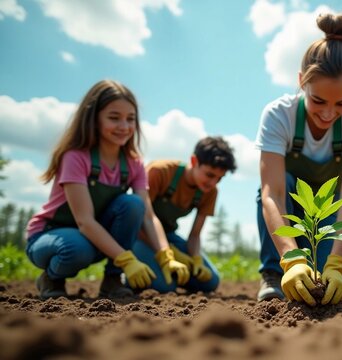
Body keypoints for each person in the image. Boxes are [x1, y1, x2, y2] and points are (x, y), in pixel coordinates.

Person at [25, 80, 189, 299]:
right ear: (94, 118)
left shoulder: (134, 164)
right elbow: (85, 221)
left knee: (133, 204)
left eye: (130, 119)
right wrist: (128, 259)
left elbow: (148, 217)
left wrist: (165, 255)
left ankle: (113, 280)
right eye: (114, 118)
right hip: (51, 237)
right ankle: (51, 278)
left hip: (93, 238)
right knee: (75, 249)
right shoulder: (76, 157)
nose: (124, 126)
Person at [255, 13, 342, 306]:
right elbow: (274, 193)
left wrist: (336, 264)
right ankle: (272, 272)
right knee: (279, 183)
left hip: (327, 215)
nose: (328, 113)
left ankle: (325, 266)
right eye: (318, 101)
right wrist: (292, 259)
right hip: (288, 207)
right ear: (301, 82)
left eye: (341, 103)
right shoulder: (278, 115)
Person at [131, 136, 236, 293]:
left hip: (168, 236)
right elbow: (139, 220)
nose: (213, 183)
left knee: (209, 282)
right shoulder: (160, 172)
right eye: (209, 175)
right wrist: (170, 252)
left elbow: (194, 235)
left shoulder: (209, 192)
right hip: (138, 235)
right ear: (194, 161)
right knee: (165, 286)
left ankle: (166, 272)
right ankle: (126, 277)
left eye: (219, 179)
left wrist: (196, 259)